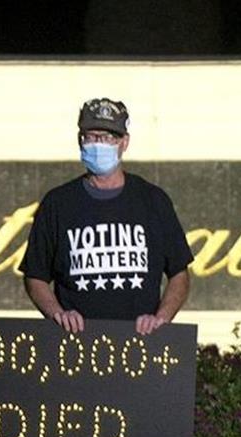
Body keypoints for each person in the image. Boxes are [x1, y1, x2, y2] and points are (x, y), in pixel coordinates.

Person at [19, 97, 193, 335]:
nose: (98, 144)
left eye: (108, 137)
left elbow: (179, 273)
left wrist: (161, 319)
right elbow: (35, 276)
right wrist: (58, 314)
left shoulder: (153, 200)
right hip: (75, 344)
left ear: (124, 143)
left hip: (140, 341)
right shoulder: (57, 204)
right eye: (91, 136)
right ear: (80, 141)